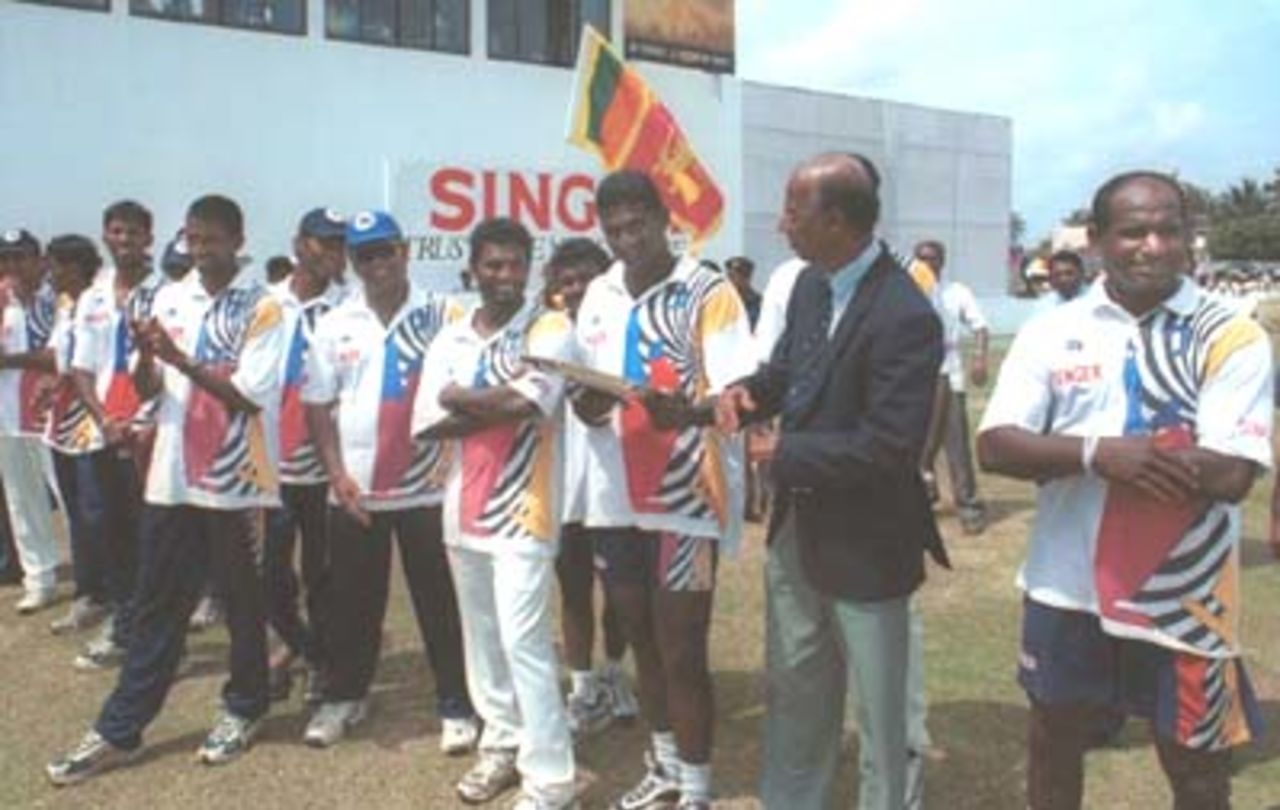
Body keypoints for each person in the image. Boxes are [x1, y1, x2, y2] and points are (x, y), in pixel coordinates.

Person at [976, 171, 1271, 810]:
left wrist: (1118, 460)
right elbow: (996, 444)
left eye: (1171, 230)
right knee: (1055, 741)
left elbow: (1234, 473)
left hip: (1187, 598)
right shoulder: (1051, 331)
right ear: (1099, 240)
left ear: (1190, 239)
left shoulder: (1231, 333)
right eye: (1135, 230)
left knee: (1197, 767)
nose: (1155, 245)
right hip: (1066, 587)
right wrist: (1096, 454)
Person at [715, 152, 948, 810]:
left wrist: (782, 453)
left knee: (881, 713)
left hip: (870, 545)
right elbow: (790, 373)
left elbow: (890, 448)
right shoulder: (813, 286)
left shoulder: (906, 314)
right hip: (800, 533)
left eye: (794, 210)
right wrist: (746, 394)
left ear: (838, 220)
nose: (781, 223)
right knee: (794, 687)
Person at [47, 194, 285, 785]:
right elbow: (147, 385)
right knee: (157, 603)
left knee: (242, 603)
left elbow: (249, 396)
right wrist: (148, 362)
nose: (200, 250)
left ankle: (245, 706)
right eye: (193, 239)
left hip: (234, 481)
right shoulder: (167, 297)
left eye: (211, 240)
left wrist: (176, 356)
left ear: (236, 240)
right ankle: (119, 728)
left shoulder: (263, 306)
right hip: (171, 476)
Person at [572, 171, 754, 810]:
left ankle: (698, 787)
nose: (626, 241)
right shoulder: (597, 292)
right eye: (613, 229)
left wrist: (688, 412)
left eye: (636, 226)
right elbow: (586, 394)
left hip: (685, 496)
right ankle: (666, 765)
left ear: (663, 218)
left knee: (682, 648)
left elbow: (738, 395)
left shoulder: (707, 290)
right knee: (639, 636)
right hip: (612, 496)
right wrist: (589, 401)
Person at [413, 217, 577, 810]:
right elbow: (428, 424)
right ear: (474, 269)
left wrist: (463, 397)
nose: (505, 277)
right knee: (482, 641)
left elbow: (531, 400)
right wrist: (492, 404)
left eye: (515, 265)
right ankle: (501, 744)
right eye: (494, 265)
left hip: (525, 511)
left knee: (524, 641)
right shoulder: (451, 338)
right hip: (463, 509)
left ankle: (551, 780)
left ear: (529, 267)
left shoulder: (551, 327)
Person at [299, 210, 476, 752]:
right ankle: (345, 696)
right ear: (351, 262)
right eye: (364, 256)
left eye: (385, 252)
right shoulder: (335, 322)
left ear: (405, 251)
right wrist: (335, 476)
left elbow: (464, 392)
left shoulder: (445, 313)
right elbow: (318, 408)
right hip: (357, 491)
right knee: (353, 601)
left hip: (427, 489)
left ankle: (456, 702)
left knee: (440, 601)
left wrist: (450, 454)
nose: (376, 264)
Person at [543, 237, 639, 736]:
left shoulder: (618, 327)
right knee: (573, 588)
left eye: (585, 278)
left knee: (621, 590)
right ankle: (582, 686)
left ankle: (614, 672)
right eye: (566, 281)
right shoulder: (549, 333)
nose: (576, 288)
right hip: (563, 484)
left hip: (611, 479)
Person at [68, 200, 166, 670]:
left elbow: (169, 369)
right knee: (109, 531)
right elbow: (82, 369)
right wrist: (105, 416)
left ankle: (158, 630)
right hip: (103, 431)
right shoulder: (93, 296)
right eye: (116, 231)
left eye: (133, 232)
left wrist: (141, 419)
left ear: (149, 238)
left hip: (151, 433)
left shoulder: (167, 293)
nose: (124, 240)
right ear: (106, 236)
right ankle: (126, 624)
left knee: (155, 536)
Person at [262, 208, 348, 703]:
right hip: (267, 464)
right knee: (269, 572)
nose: (331, 253)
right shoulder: (262, 303)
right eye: (322, 242)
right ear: (298, 244)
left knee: (324, 573)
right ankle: (293, 646)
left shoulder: (349, 310)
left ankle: (319, 660)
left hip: (322, 466)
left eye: (338, 245)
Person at [42, 235, 112, 636]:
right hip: (64, 422)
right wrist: (53, 383)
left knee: (97, 510)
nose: (50, 274)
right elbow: (60, 358)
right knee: (76, 512)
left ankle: (113, 593)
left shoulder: (101, 301)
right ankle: (90, 594)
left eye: (56, 266)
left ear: (75, 266)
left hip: (95, 421)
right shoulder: (65, 306)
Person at [0, 228, 61, 615]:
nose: (13, 266)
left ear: (39, 260)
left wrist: (13, 360)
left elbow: (61, 355)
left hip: (53, 415)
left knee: (71, 499)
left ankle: (99, 580)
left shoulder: (57, 300)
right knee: (22, 500)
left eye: (21, 256)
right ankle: (38, 578)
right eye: (6, 258)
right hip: (7, 417)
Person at [914, 239, 989, 534]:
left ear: (942, 262)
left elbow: (980, 327)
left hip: (950, 374)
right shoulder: (904, 290)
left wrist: (980, 358)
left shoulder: (957, 292)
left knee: (956, 444)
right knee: (915, 446)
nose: (926, 263)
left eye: (932, 258)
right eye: (920, 258)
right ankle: (921, 498)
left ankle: (969, 505)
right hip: (913, 381)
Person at [724, 256, 762, 329]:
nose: (730, 281)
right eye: (729, 276)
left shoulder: (760, 304)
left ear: (747, 278)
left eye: (733, 276)